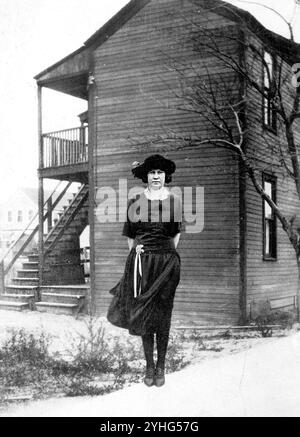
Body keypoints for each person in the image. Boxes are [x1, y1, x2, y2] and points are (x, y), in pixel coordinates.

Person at [107, 154, 182, 387]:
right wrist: (142, 253)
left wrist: (162, 254)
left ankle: (162, 366)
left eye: (160, 172)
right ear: (146, 177)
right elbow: (130, 237)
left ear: (165, 176)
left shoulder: (174, 202)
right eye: (152, 173)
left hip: (167, 264)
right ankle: (149, 366)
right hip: (142, 263)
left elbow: (176, 235)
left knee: (163, 313)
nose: (156, 176)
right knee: (145, 313)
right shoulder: (135, 202)